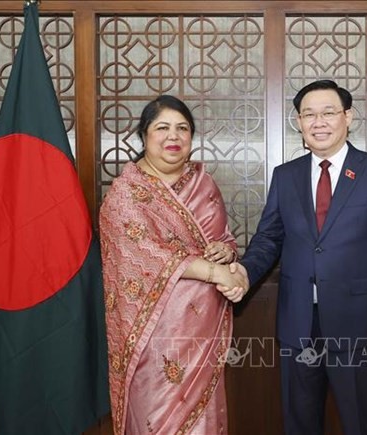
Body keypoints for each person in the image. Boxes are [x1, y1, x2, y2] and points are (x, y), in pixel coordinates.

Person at [226, 80, 367, 435]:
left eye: (328, 112)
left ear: (348, 117)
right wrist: (245, 272)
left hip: (358, 324)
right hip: (298, 323)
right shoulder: (286, 176)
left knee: (360, 421)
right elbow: (269, 238)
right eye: (309, 114)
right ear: (298, 122)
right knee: (300, 422)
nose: (318, 122)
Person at [99, 95, 246, 435]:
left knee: (203, 421)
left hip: (201, 330)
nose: (173, 136)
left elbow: (222, 239)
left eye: (183, 128)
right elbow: (143, 251)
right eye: (162, 128)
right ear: (144, 136)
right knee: (156, 420)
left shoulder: (203, 183)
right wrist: (211, 271)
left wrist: (224, 254)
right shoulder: (126, 193)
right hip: (151, 333)